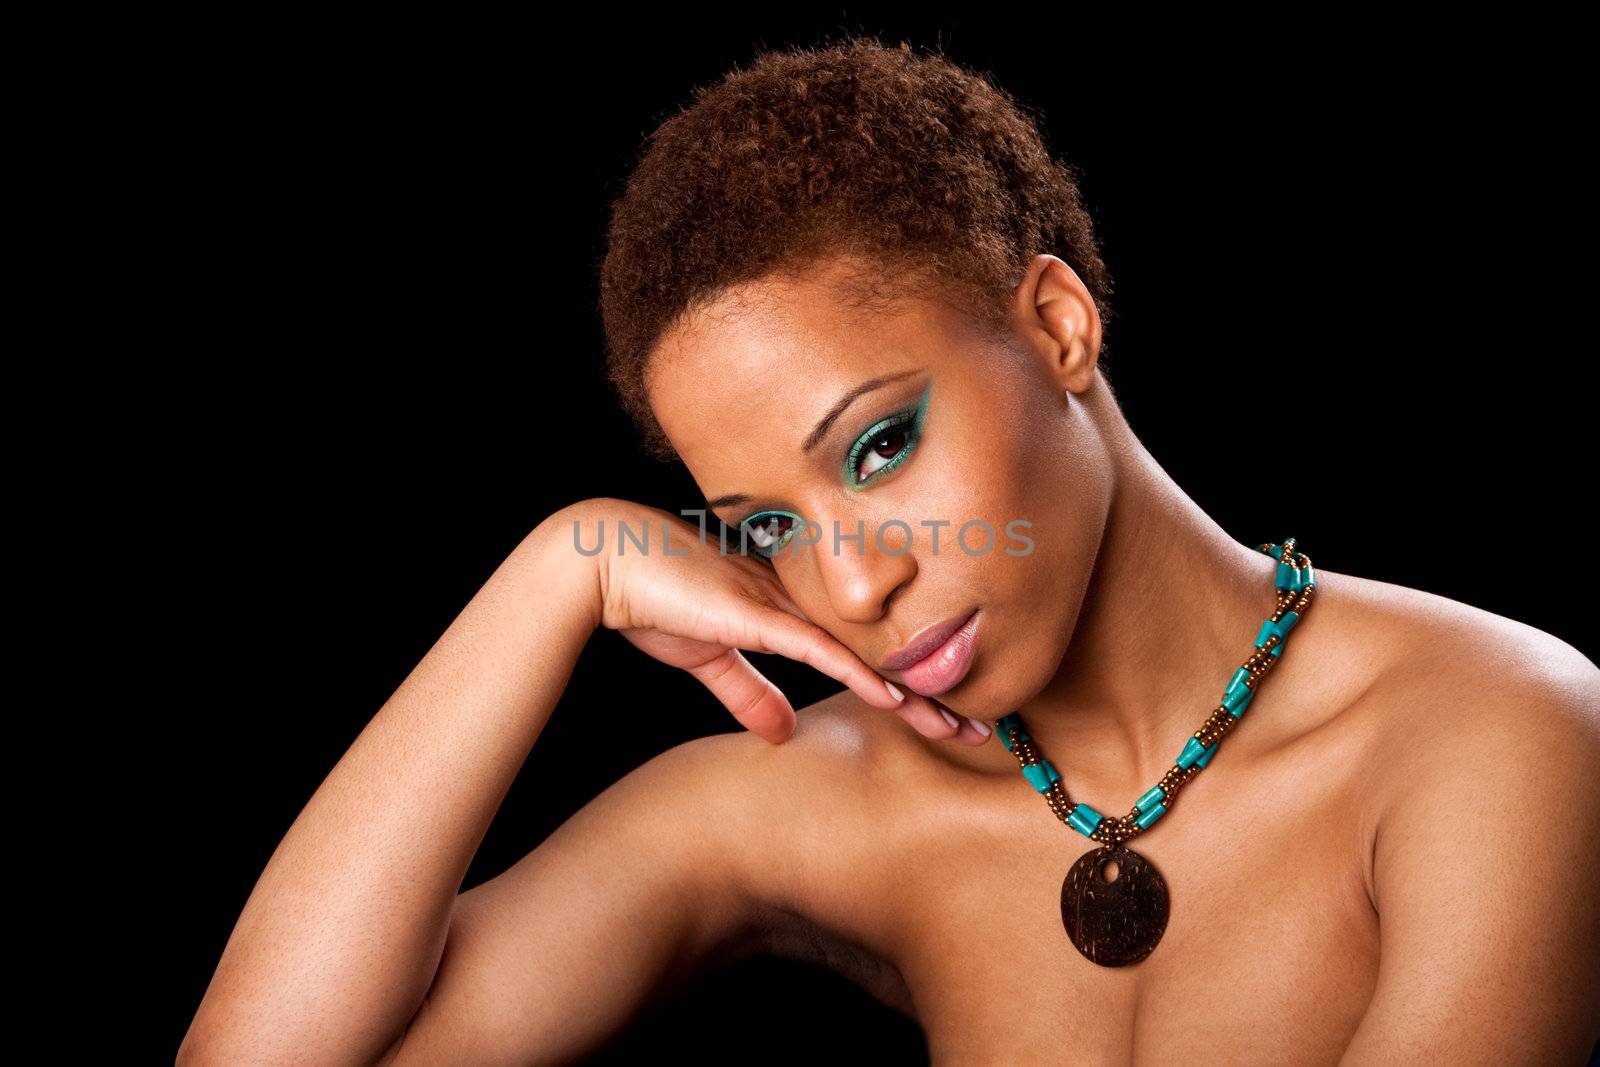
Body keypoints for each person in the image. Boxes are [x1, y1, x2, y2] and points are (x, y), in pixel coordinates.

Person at [178, 37, 1600, 1066]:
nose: (853, 587)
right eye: (770, 530)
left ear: (1057, 325)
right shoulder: (847, 796)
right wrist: (563, 566)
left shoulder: (1491, 739)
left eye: (878, 447)